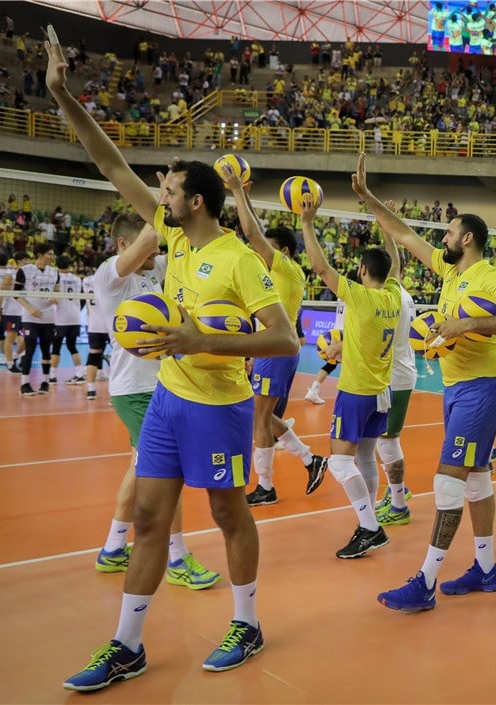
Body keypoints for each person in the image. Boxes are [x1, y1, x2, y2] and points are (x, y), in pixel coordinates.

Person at [48, 38, 299, 691]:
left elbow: (285, 341)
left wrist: (199, 340)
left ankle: (247, 623)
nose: (160, 192)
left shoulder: (238, 259)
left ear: (198, 202)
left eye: (171, 188)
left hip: (220, 407)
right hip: (167, 403)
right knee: (150, 518)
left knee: (228, 515)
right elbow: (110, 163)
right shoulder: (173, 235)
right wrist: (61, 95)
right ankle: (127, 644)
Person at [351, 153, 496, 611]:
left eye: (449, 233)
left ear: (467, 238)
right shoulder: (450, 270)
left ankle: (426, 581)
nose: (443, 239)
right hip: (456, 388)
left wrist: (465, 324)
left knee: (447, 482)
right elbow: (403, 234)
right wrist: (368, 197)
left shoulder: (489, 277)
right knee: (477, 481)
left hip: (481, 390)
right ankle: (486, 569)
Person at [92, 212, 221, 591]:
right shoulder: (110, 275)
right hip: (135, 390)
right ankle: (177, 558)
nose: (157, 253)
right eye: (150, 248)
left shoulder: (153, 269)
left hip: (159, 385)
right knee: (167, 470)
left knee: (140, 467)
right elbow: (153, 237)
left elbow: (184, 245)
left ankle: (113, 548)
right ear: (123, 245)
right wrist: (163, 203)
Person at [298, 188, 400, 558]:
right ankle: (367, 522)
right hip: (382, 393)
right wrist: (387, 227)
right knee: (366, 459)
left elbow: (321, 268)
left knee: (341, 462)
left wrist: (307, 223)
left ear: (362, 271)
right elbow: (395, 263)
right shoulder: (392, 295)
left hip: (357, 392)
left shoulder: (360, 296)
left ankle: (370, 527)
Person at [221, 170, 327, 506]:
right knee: (262, 415)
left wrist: (237, 192)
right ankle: (311, 460)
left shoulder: (286, 267)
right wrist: (246, 198)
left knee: (259, 418)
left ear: (283, 251)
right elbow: (255, 232)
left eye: (269, 247)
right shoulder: (277, 270)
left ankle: (266, 487)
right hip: (272, 347)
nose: (260, 251)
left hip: (276, 348)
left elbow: (253, 234)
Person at [374, 200, 419, 528]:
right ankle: (396, 490)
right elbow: (396, 261)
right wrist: (386, 226)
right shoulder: (397, 289)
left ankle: (399, 502)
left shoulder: (384, 299)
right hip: (398, 373)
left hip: (395, 375)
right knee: (385, 438)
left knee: (386, 440)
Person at [14, 242, 59, 396]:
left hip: (48, 317)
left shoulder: (54, 272)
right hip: (30, 317)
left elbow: (57, 292)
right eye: (49, 254)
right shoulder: (25, 270)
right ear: (40, 255)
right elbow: (15, 294)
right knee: (30, 349)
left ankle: (45, 382)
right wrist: (30, 308)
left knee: (46, 351)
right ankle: (24, 384)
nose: (52, 257)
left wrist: (55, 298)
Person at [49, 255, 87, 385]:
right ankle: (79, 374)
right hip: (75, 317)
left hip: (61, 318)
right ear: (70, 265)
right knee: (72, 346)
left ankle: (52, 376)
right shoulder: (77, 279)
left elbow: (53, 299)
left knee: (56, 347)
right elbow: (82, 298)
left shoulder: (54, 278)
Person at [82, 265, 110, 401]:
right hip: (111, 324)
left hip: (94, 324)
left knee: (93, 355)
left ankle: (91, 390)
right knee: (119, 356)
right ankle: (115, 393)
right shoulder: (109, 278)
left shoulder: (86, 280)